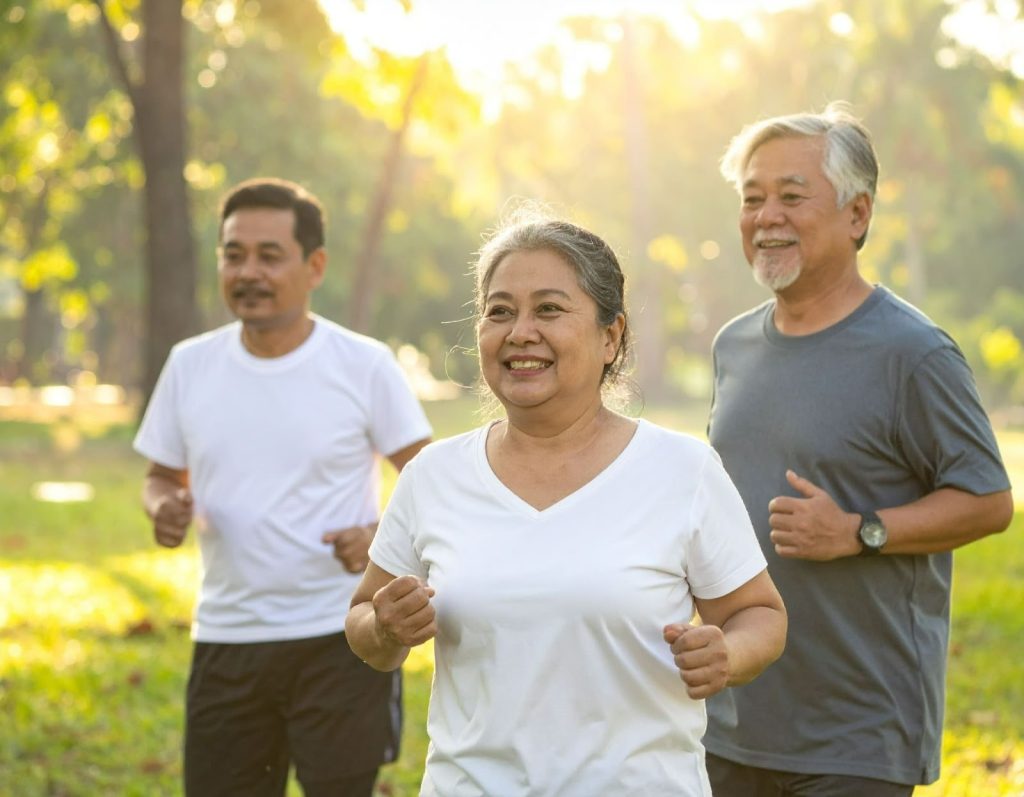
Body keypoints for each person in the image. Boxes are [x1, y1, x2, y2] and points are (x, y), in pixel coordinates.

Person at [344, 214, 788, 796]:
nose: (520, 332)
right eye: (500, 311)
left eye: (549, 309)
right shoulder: (433, 475)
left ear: (611, 336)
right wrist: (385, 627)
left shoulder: (682, 469)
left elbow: (760, 615)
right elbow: (363, 619)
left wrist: (727, 653)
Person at [704, 102, 1015, 796]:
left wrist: (858, 531)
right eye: (752, 199)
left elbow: (990, 501)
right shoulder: (733, 346)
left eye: (792, 196)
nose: (766, 217)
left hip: (858, 736)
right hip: (733, 717)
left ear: (857, 213)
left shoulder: (914, 353)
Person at [133, 177, 432, 797]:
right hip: (228, 636)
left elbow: (429, 482)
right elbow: (160, 477)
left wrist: (377, 536)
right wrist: (164, 507)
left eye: (269, 255)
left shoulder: (363, 364)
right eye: (233, 254)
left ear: (314, 265)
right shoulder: (190, 365)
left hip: (341, 637)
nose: (249, 271)